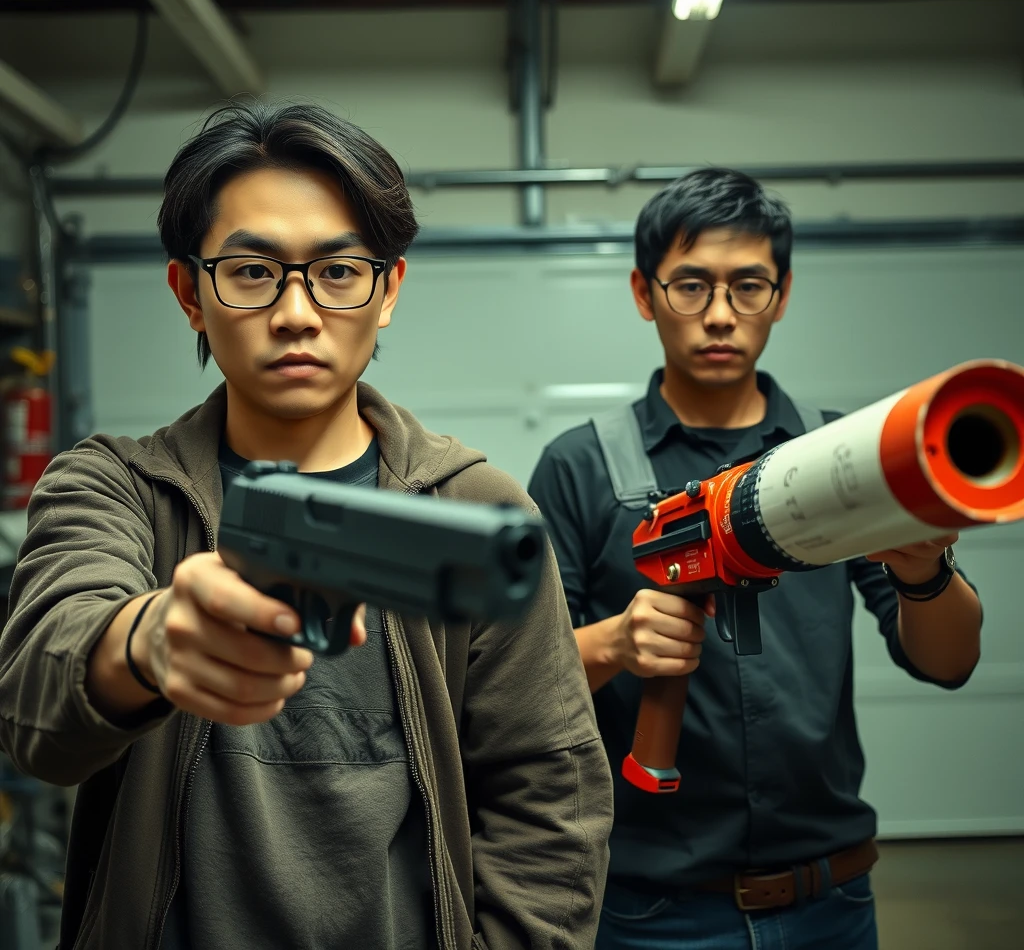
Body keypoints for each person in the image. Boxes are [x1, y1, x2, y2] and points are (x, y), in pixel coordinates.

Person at [0, 101, 613, 950]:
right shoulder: (113, 487)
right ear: (189, 293)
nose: (296, 312)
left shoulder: (479, 511)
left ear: (388, 289)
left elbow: (551, 791)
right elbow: (38, 701)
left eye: (337, 271)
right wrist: (148, 643)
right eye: (252, 272)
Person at [527, 167, 983, 950]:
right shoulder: (579, 466)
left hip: (832, 900)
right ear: (644, 293)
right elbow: (516, 679)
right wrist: (617, 643)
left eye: (748, 288)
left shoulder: (841, 454)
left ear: (782, 293)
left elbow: (949, 662)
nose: (719, 317)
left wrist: (923, 570)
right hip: (650, 912)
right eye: (690, 287)